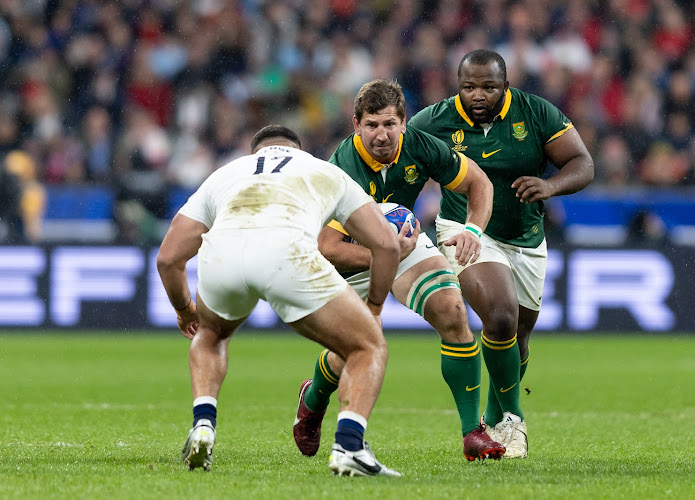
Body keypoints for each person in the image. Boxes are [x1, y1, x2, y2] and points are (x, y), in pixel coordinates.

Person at [156, 125, 403, 477]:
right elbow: (387, 246)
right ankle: (349, 446)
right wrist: (375, 307)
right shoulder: (324, 170)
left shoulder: (224, 174)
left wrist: (184, 312)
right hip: (286, 251)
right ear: (298, 150)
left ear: (255, 152)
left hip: (223, 253)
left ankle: (203, 426)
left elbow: (168, 258)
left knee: (210, 336)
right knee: (368, 347)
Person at [293, 79, 505, 462]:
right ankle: (313, 397)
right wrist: (384, 256)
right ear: (356, 125)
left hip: (402, 243)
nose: (381, 134)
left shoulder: (419, 146)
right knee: (352, 353)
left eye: (389, 124)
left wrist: (473, 229)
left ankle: (472, 432)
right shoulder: (341, 170)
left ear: (404, 123)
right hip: (351, 257)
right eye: (372, 125)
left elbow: (479, 182)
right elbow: (328, 247)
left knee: (453, 312)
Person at [409, 49, 595, 458]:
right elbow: (406, 169)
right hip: (466, 229)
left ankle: (495, 417)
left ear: (505, 86)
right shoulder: (433, 122)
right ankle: (513, 417)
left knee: (518, 338)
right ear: (457, 86)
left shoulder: (536, 113)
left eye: (489, 87)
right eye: (469, 87)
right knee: (499, 314)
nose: (478, 95)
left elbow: (582, 162)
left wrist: (551, 186)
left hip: (526, 236)